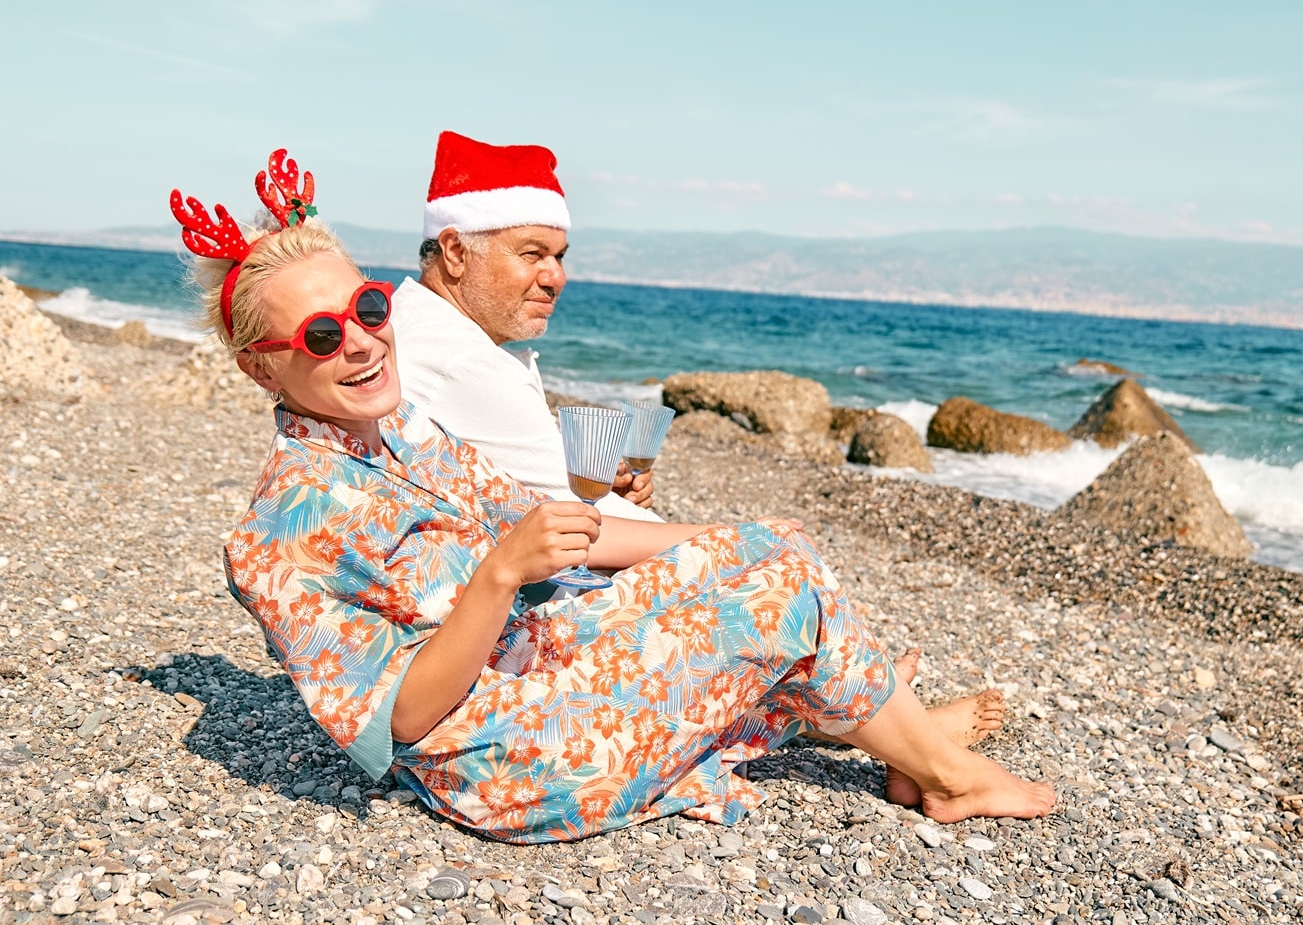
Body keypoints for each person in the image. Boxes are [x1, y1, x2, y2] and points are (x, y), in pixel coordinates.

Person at [180, 150, 1055, 843]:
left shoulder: (403, 429)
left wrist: (723, 537)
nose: (363, 344)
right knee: (775, 595)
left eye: (368, 309)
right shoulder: (277, 533)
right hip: (508, 758)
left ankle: (902, 743)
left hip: (541, 665)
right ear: (261, 365)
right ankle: (941, 773)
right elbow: (402, 718)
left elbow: (564, 534)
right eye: (321, 335)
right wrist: (496, 575)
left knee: (763, 561)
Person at [391, 131, 659, 521]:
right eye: (532, 254)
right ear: (455, 252)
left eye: (559, 257)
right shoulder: (462, 361)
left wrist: (602, 491)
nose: (556, 278)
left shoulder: (412, 321)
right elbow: (587, 522)